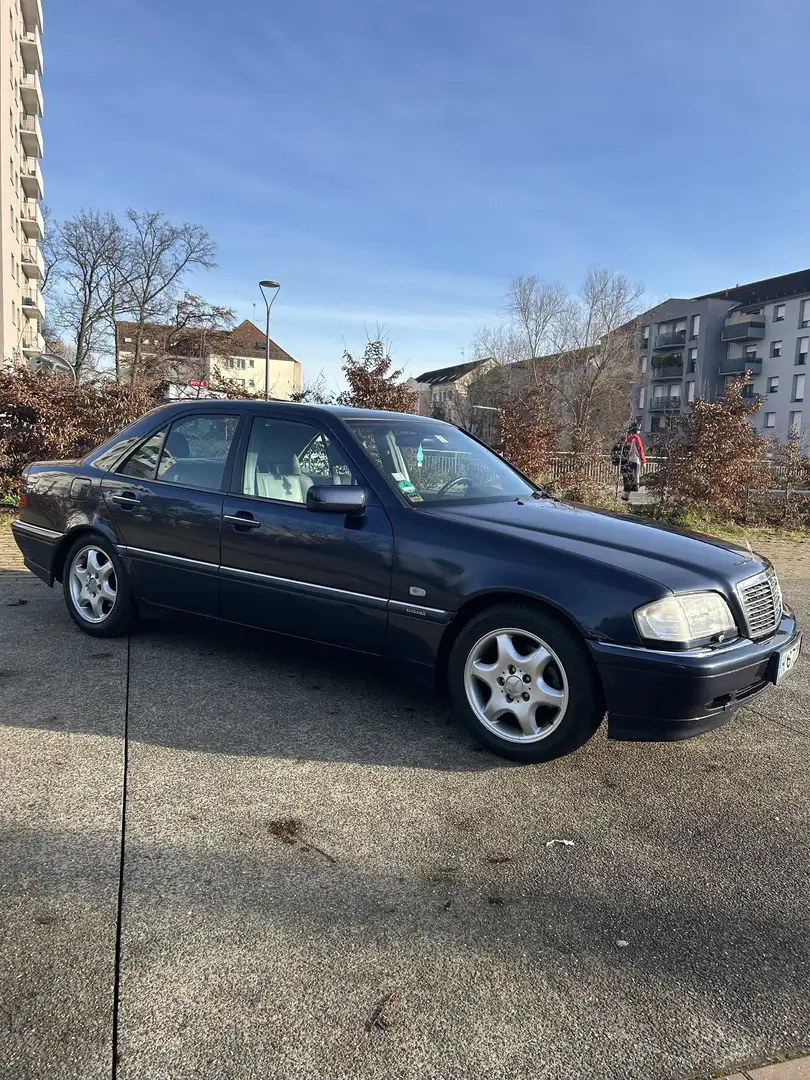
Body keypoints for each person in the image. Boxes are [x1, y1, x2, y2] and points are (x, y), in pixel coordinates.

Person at [612, 422, 646, 501]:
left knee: (627, 479)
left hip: (625, 462)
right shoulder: (636, 437)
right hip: (634, 461)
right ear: (636, 430)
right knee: (634, 480)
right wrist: (643, 461)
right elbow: (640, 449)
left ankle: (626, 496)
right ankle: (633, 498)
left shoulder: (625, 438)